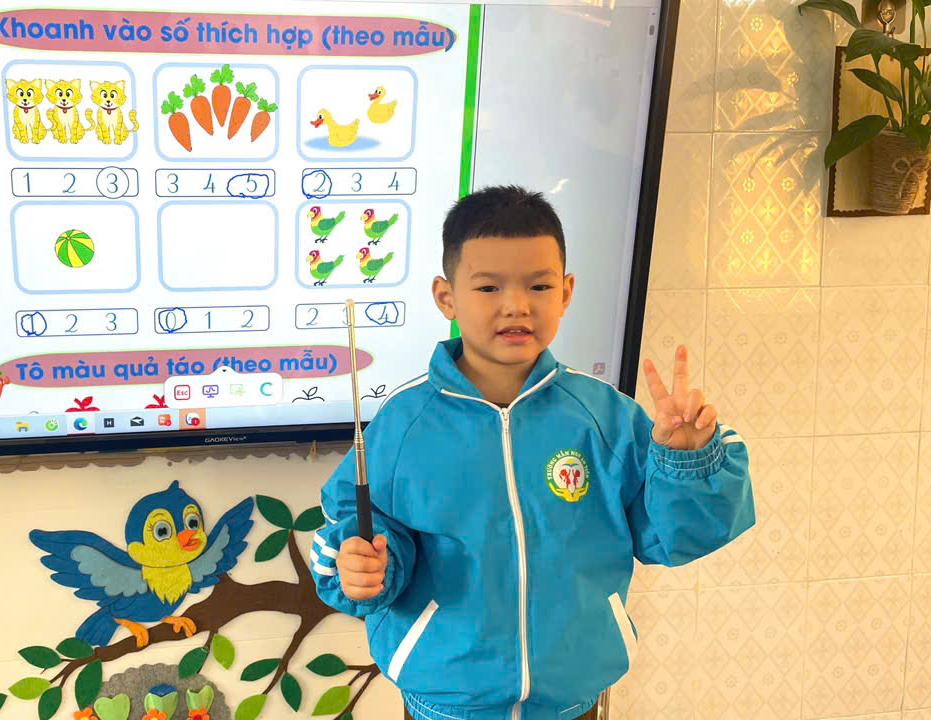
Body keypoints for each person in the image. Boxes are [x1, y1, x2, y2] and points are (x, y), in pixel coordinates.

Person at [311, 186, 755, 720]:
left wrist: (686, 463)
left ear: (566, 292)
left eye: (539, 285)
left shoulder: (606, 417)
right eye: (489, 286)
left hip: (574, 703)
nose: (517, 305)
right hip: (445, 705)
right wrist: (363, 566)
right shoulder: (404, 425)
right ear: (446, 297)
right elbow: (359, 529)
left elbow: (675, 536)